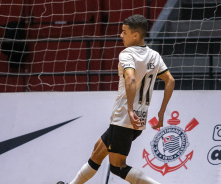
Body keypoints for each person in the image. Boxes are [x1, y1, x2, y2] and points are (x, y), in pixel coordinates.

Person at [58, 14, 175, 184]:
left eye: (124, 32)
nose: (121, 35)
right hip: (139, 118)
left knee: (118, 167)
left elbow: (131, 79)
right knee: (97, 154)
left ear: (135, 35)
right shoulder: (154, 56)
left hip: (124, 118)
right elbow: (170, 80)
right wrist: (162, 112)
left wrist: (128, 109)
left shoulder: (127, 54)